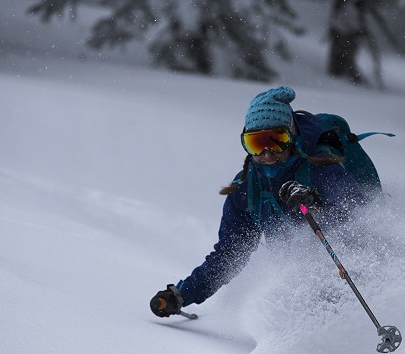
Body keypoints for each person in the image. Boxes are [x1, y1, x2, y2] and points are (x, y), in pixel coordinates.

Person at [150, 86, 367, 318]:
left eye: (276, 141)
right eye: (256, 143)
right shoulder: (246, 189)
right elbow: (230, 253)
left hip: (350, 264)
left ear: (291, 137)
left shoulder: (321, 167)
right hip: (301, 279)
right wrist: (183, 294)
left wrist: (317, 202)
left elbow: (360, 207)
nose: (266, 154)